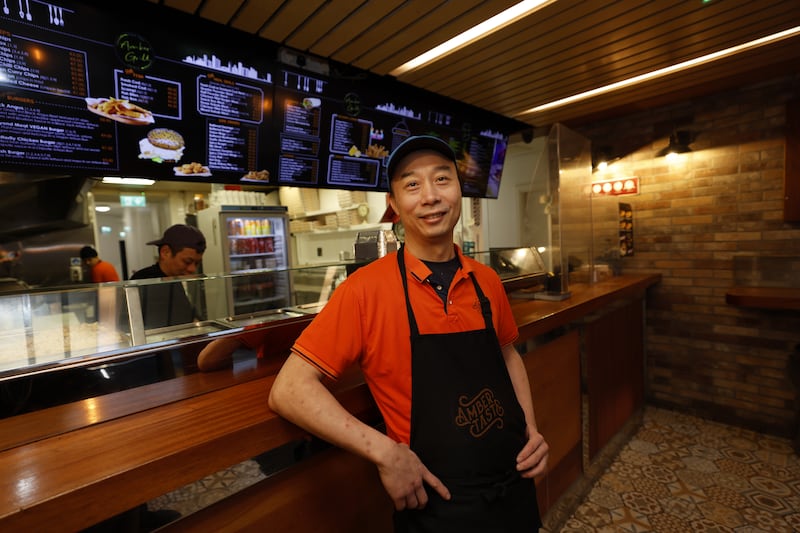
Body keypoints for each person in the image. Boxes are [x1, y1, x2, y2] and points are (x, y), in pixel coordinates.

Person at [268, 136, 549, 532]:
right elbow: (289, 389)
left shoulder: (487, 280)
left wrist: (530, 429)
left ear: (458, 189)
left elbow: (507, 354)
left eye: (442, 179)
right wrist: (385, 452)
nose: (430, 196)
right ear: (394, 205)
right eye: (412, 184)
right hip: (437, 506)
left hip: (515, 490)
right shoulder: (365, 290)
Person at [131, 224, 206, 330]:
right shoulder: (142, 280)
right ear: (165, 252)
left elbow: (189, 315)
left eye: (197, 263)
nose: (192, 269)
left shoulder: (175, 279)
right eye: (187, 262)